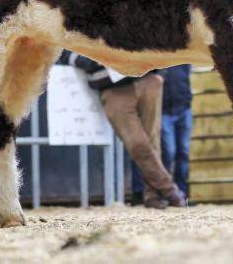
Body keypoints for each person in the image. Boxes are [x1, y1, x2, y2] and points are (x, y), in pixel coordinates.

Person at [56, 50, 186, 209]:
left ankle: (152, 195)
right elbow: (63, 50)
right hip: (112, 88)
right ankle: (169, 189)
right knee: (137, 143)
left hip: (148, 79)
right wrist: (92, 59)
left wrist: (161, 74)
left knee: (152, 141)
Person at [160, 64, 193, 198]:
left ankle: (182, 192)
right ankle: (168, 191)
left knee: (183, 152)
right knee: (169, 152)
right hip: (165, 110)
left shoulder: (184, 59)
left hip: (184, 108)